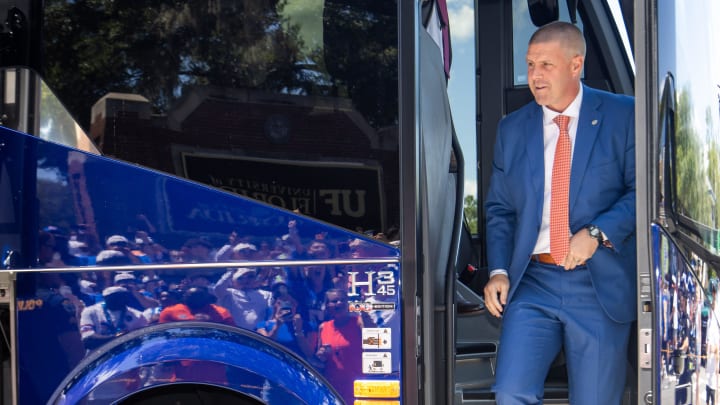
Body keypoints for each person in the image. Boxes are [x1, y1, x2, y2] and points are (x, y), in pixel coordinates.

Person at [482, 21, 636, 404]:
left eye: (545, 65)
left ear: (575, 64)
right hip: (533, 281)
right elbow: (500, 210)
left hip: (598, 286)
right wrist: (499, 270)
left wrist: (597, 232)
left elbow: (644, 193)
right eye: (531, 64)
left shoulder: (625, 116)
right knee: (511, 392)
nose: (534, 75)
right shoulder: (512, 129)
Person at [79, 286, 148, 352]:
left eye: (122, 297)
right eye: (114, 297)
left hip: (128, 353)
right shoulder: (90, 311)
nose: (119, 300)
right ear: (105, 298)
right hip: (99, 356)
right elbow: (88, 340)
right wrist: (117, 338)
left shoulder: (137, 315)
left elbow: (144, 337)